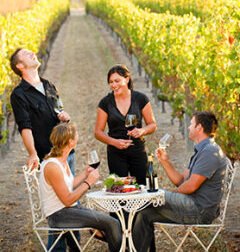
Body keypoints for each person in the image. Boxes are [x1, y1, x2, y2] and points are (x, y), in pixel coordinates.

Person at [9, 48, 76, 251]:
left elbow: (59, 110)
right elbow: (25, 126)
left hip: (67, 153)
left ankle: (76, 247)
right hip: (48, 158)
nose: (33, 53)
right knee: (57, 210)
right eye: (26, 54)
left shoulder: (48, 85)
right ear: (20, 66)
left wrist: (63, 115)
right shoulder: (19, 95)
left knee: (71, 206)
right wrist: (32, 153)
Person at [132, 111, 228, 252]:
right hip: (191, 205)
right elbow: (182, 181)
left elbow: (190, 187)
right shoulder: (202, 150)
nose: (188, 127)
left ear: (199, 127)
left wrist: (165, 195)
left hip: (199, 210)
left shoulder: (209, 152)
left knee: (150, 195)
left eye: (191, 124)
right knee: (145, 213)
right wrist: (165, 162)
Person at [39, 122, 122, 252]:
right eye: (76, 134)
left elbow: (68, 185)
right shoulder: (53, 166)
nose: (78, 136)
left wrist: (85, 173)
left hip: (69, 210)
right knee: (113, 223)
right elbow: (67, 199)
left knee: (110, 224)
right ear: (70, 142)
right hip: (59, 215)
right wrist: (88, 183)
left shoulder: (61, 160)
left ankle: (113, 239)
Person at [95, 64, 157, 185]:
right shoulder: (105, 102)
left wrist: (142, 131)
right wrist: (114, 142)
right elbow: (98, 132)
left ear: (127, 79)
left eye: (117, 81)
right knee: (119, 191)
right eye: (111, 82)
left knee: (142, 189)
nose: (114, 85)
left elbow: (152, 125)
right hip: (115, 153)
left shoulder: (140, 99)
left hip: (138, 151)